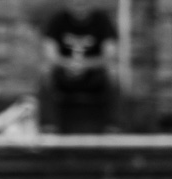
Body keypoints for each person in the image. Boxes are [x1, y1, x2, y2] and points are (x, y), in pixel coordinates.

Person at [40, 0, 118, 133]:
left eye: (84, 3)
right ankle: (48, 125)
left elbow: (109, 55)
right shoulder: (57, 20)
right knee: (45, 71)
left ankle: (114, 125)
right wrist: (69, 64)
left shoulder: (102, 20)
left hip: (94, 74)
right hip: (64, 73)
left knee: (114, 72)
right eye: (76, 3)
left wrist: (84, 65)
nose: (80, 8)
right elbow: (50, 54)